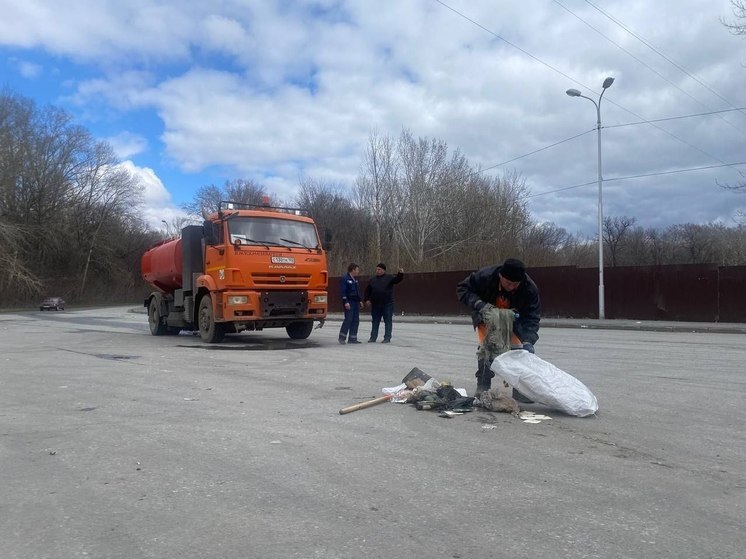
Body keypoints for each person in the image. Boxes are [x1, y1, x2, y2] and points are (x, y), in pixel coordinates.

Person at [456, 258, 541, 397]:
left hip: (515, 320)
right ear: (501, 276)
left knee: (522, 351)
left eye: (516, 284)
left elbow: (532, 316)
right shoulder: (485, 276)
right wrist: (479, 305)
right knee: (487, 347)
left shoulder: (529, 288)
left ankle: (520, 389)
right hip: (487, 316)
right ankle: (483, 384)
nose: (512, 287)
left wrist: (528, 339)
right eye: (508, 283)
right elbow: (462, 288)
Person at [364, 263, 404, 343]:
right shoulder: (372, 279)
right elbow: (367, 291)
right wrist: (367, 300)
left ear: (383, 270)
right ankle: (373, 337)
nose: (377, 271)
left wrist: (400, 273)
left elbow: (398, 280)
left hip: (387, 304)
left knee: (388, 321)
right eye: (376, 269)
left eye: (379, 269)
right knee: (375, 321)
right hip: (375, 304)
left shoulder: (389, 278)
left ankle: (387, 338)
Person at [338, 263, 363, 344]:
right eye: (357, 270)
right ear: (353, 270)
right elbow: (343, 291)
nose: (358, 271)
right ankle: (342, 337)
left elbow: (357, 291)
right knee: (348, 319)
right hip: (349, 301)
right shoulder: (345, 278)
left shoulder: (355, 279)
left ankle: (352, 338)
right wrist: (346, 302)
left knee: (356, 320)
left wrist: (360, 300)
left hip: (355, 302)